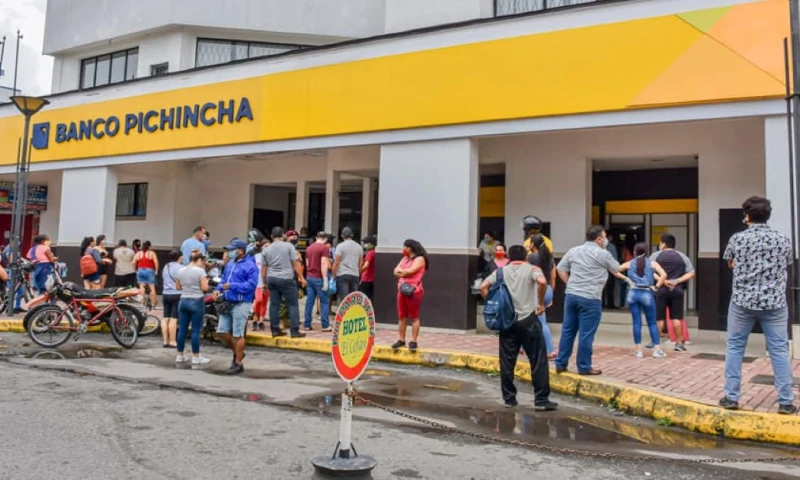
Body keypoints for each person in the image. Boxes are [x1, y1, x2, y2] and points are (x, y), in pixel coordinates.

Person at [719, 196, 797, 414]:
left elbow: (730, 263)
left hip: (742, 302)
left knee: (735, 347)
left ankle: (731, 397)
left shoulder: (738, 239)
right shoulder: (783, 239)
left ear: (747, 216)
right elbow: (788, 263)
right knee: (779, 350)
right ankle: (785, 401)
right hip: (775, 303)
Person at [480, 245, 557, 411]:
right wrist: (540, 303)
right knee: (538, 360)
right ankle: (541, 399)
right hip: (528, 319)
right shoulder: (532, 269)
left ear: (508, 256)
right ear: (525, 257)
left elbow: (483, 287)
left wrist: (494, 304)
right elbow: (543, 282)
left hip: (507, 322)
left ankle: (509, 398)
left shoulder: (500, 272)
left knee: (507, 361)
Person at [555, 226, 628, 375]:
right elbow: (616, 269)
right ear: (599, 239)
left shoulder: (573, 251)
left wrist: (570, 284)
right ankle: (584, 366)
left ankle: (561, 363)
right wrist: (630, 263)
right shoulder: (603, 254)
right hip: (590, 298)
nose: (606, 240)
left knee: (568, 331)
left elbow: (560, 268)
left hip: (571, 296)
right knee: (586, 334)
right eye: (605, 237)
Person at [216, 238, 259, 374]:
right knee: (221, 332)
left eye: (231, 249)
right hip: (227, 301)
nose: (229, 252)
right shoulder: (229, 264)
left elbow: (251, 286)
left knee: (238, 334)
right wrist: (219, 289)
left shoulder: (250, 266)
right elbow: (223, 279)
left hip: (241, 303)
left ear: (240, 250)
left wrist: (233, 286)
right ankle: (238, 352)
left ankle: (238, 363)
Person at [619, 242, 668, 359]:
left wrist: (626, 279)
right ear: (646, 252)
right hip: (647, 293)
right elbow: (664, 275)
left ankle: (638, 351)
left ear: (635, 252)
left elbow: (615, 270)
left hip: (633, 293)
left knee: (636, 322)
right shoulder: (652, 263)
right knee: (651, 322)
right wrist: (656, 287)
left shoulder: (630, 263)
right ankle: (657, 350)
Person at [650, 233, 695, 352]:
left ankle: (655, 342)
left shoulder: (656, 256)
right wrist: (676, 281)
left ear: (663, 244)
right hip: (677, 291)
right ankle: (679, 343)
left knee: (659, 317)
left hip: (661, 291)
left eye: (660, 243)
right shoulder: (682, 256)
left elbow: (649, 271)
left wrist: (662, 281)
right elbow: (691, 273)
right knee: (676, 317)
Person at [262, 227, 307, 338]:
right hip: (286, 278)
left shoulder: (267, 249)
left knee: (274, 304)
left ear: (271, 236)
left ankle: (275, 330)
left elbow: (264, 268)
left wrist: (264, 282)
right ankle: (294, 331)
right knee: (292, 304)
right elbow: (295, 263)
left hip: (272, 278)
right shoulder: (289, 246)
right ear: (283, 235)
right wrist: (301, 277)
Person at [392, 239, 428, 353]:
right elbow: (395, 271)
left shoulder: (420, 259)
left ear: (410, 247)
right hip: (402, 289)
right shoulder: (405, 258)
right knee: (402, 316)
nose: (404, 249)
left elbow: (410, 272)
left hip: (414, 291)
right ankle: (401, 339)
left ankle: (413, 341)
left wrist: (401, 272)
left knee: (414, 317)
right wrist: (401, 272)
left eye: (405, 247)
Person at [175, 250, 210, 365]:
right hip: (196, 301)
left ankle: (180, 355)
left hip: (183, 300)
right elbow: (205, 288)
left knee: (182, 330)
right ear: (199, 260)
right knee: (195, 330)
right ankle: (196, 356)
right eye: (202, 261)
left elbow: (178, 287)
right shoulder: (200, 271)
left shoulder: (180, 271)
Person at [527, 234, 557, 359]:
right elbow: (553, 277)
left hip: (536, 290)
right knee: (541, 321)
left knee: (529, 320)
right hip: (548, 290)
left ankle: (548, 350)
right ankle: (548, 349)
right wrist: (550, 295)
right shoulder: (550, 258)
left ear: (533, 244)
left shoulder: (530, 257)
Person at [304, 231, 332, 332]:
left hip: (309, 277)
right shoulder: (324, 248)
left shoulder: (309, 248)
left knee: (309, 302)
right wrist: (325, 279)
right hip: (319, 278)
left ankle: (307, 324)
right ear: (325, 239)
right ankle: (325, 325)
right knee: (324, 301)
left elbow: (307, 264)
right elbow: (324, 263)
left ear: (316, 237)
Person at [332, 227, 364, 298]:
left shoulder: (340, 246)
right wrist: (359, 274)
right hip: (355, 274)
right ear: (352, 235)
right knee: (353, 299)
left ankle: (345, 309)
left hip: (342, 274)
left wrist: (333, 276)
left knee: (344, 298)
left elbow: (336, 262)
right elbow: (361, 263)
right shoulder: (359, 247)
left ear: (342, 236)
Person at [161, 250, 183, 348]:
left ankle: (165, 341)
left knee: (165, 318)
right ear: (179, 257)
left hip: (165, 294)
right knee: (174, 319)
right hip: (176, 294)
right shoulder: (181, 268)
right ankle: (173, 341)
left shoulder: (166, 266)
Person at [251, 235, 270, 331]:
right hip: (258, 283)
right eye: (265, 246)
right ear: (262, 247)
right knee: (258, 300)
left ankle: (261, 321)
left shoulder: (272, 258)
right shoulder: (256, 257)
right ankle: (254, 318)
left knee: (264, 302)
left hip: (268, 283)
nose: (267, 248)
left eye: (268, 246)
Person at [134, 241, 159, 307]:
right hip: (149, 271)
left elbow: (133, 262)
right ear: (149, 246)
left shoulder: (138, 253)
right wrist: (156, 270)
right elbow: (155, 261)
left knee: (142, 288)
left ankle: (142, 303)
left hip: (140, 270)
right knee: (152, 288)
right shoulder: (152, 253)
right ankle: (153, 303)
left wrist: (135, 270)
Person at [603, 234, 620, 309]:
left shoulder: (598, 247)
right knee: (610, 288)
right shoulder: (612, 247)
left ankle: (602, 304)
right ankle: (610, 304)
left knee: (601, 288)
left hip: (601, 270)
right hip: (610, 271)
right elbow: (615, 259)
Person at [359, 235, 377, 301]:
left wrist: (359, 271)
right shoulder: (374, 252)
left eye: (366, 243)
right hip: (371, 279)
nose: (365, 245)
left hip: (366, 279)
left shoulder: (370, 253)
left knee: (363, 299)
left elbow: (366, 265)